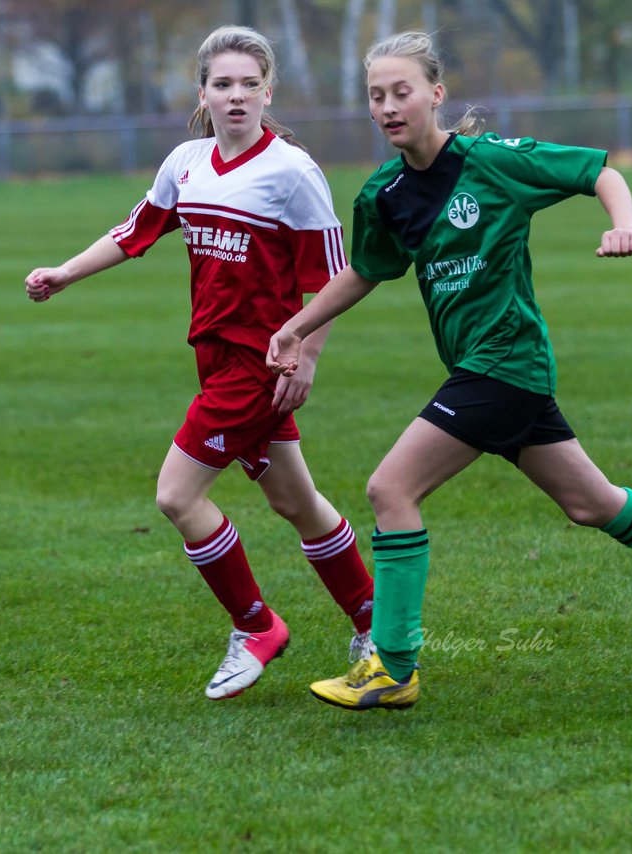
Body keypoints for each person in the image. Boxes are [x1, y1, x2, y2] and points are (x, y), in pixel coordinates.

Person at [266, 31, 632, 712]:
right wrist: (298, 327)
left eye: (402, 92)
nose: (388, 106)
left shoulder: (494, 163)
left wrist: (623, 223)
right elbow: (366, 270)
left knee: (390, 488)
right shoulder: (385, 194)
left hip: (504, 364)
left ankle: (393, 667)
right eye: (376, 96)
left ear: (435, 95)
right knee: (592, 502)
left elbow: (599, 172)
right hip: (495, 372)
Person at [24, 25, 374, 701]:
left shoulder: (293, 172)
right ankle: (374, 622)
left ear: (268, 91)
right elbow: (135, 233)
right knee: (294, 500)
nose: (237, 95)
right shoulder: (184, 162)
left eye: (250, 84)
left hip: (258, 365)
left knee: (177, 495)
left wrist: (304, 356)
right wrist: (65, 273)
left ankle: (257, 625)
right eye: (224, 84)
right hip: (214, 360)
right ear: (203, 93)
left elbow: (334, 279)